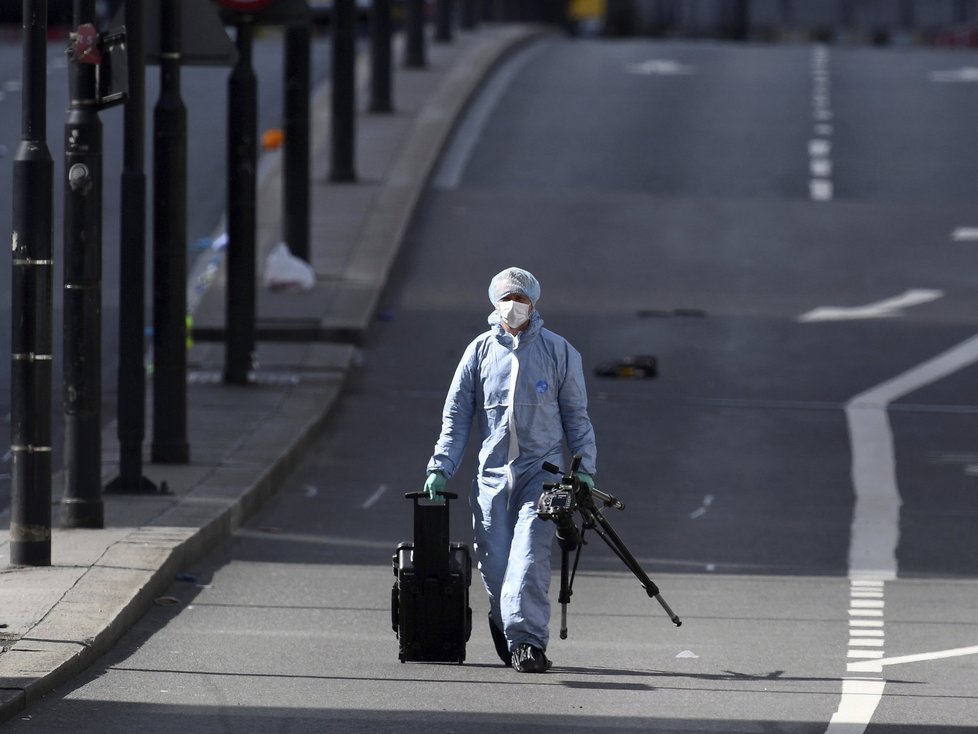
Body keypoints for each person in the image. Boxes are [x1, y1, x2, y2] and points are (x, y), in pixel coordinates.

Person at [423, 266, 598, 673]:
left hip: (544, 475)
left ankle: (528, 643)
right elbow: (457, 417)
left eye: (522, 299)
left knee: (528, 557)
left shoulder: (559, 352)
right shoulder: (479, 352)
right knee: (496, 562)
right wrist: (441, 466)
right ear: (493, 302)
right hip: (492, 477)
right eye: (508, 299)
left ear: (534, 303)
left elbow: (577, 416)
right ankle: (505, 623)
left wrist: (585, 468)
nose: (514, 306)